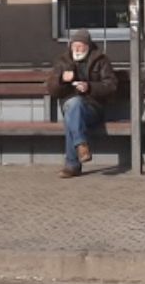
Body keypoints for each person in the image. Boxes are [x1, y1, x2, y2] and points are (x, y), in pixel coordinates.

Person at [45, 27, 118, 179]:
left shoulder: (101, 60)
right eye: (74, 46)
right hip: (70, 106)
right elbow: (52, 89)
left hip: (93, 108)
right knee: (73, 107)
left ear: (88, 46)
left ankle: (72, 164)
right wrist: (61, 80)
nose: (77, 49)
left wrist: (89, 87)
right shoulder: (63, 61)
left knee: (72, 116)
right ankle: (81, 146)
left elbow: (111, 86)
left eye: (80, 46)